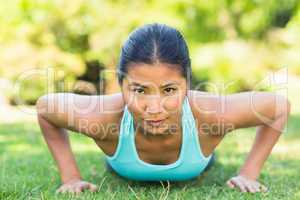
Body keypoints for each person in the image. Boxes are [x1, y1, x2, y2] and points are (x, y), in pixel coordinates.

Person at [36, 23, 290, 194]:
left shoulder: (212, 114)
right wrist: (70, 177)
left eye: (169, 90)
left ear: (187, 85)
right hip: (119, 160)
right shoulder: (101, 117)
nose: (154, 108)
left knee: (211, 154)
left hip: (200, 155)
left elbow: (279, 107)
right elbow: (45, 108)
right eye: (139, 90)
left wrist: (249, 173)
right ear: (120, 84)